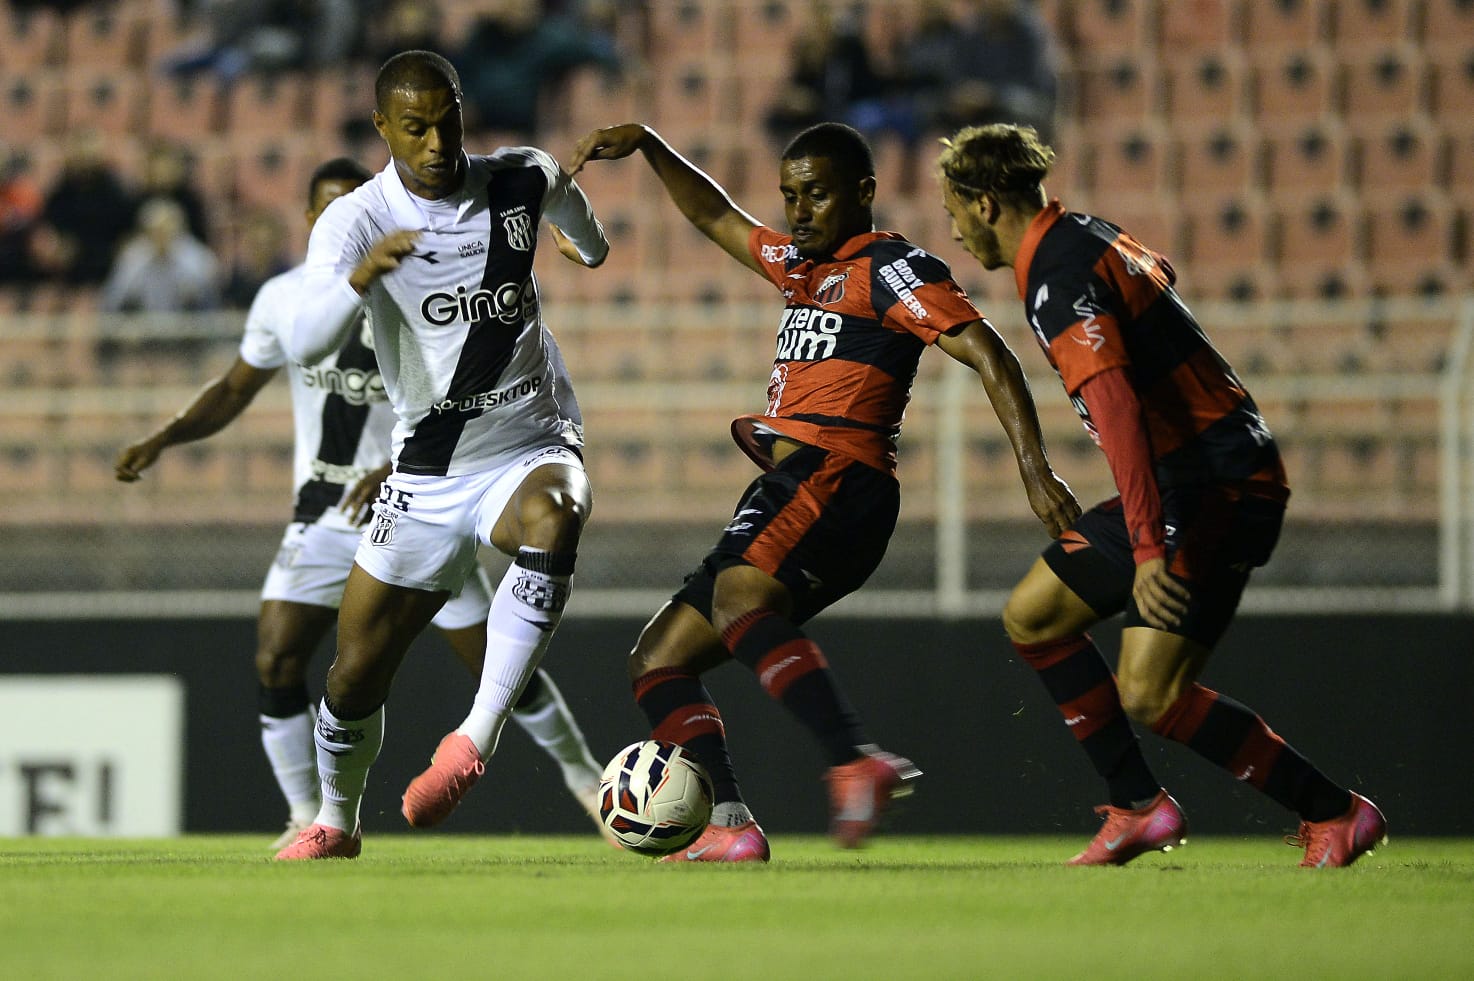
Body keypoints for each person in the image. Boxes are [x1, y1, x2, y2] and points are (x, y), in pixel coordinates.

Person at [568, 120, 1079, 861]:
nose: (799, 210)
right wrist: (650, 145)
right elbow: (714, 215)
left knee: (740, 600)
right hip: (796, 481)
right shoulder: (799, 266)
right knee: (657, 659)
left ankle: (852, 759)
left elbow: (989, 351)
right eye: (789, 195)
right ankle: (730, 825)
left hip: (838, 474)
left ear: (863, 192)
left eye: (816, 194)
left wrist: (1036, 473)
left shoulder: (891, 267)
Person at [114, 157, 610, 850]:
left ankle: (585, 779)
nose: (342, 215)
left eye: (351, 201)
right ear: (312, 217)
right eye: (327, 205)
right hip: (325, 511)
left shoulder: (421, 274)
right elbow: (233, 388)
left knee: (495, 663)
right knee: (284, 658)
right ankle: (309, 814)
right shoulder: (287, 299)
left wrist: (397, 464)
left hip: (422, 489)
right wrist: (165, 436)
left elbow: (465, 385)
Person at [934, 123, 1387, 868]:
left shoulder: (1056, 275)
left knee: (1150, 693)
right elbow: (1159, 275)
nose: (953, 230)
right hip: (1185, 477)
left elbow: (1116, 408)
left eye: (954, 210)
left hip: (1215, 483)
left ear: (985, 204)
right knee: (1035, 616)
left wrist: (1148, 548)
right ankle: (1138, 806)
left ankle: (1334, 812)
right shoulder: (1085, 233)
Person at [272, 50, 610, 860]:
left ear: (463, 112)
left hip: (528, 439)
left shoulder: (522, 177)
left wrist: (581, 247)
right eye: (414, 128)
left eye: (446, 122)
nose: (435, 143)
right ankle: (335, 820)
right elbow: (304, 339)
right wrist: (360, 279)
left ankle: (473, 738)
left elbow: (589, 237)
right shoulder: (355, 220)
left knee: (557, 512)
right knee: (355, 672)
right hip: (426, 472)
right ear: (382, 128)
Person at [99, 196, 223, 314]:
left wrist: (193, 295)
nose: (162, 236)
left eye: (167, 229)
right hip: (144, 326)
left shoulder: (197, 258)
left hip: (189, 326)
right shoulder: (133, 257)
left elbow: (213, 301)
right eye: (156, 230)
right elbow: (113, 301)